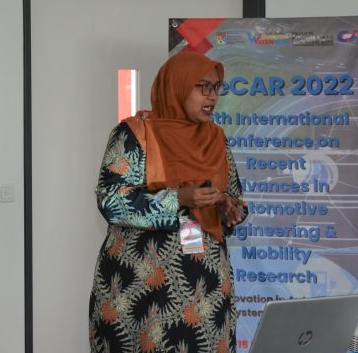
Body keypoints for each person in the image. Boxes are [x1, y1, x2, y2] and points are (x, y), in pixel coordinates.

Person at [88, 52, 247, 353]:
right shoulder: (136, 135)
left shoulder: (216, 139)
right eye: (203, 86)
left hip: (206, 286)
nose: (212, 96)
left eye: (216, 87)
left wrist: (228, 207)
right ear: (177, 86)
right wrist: (179, 198)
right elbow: (110, 201)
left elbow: (232, 193)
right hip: (141, 283)